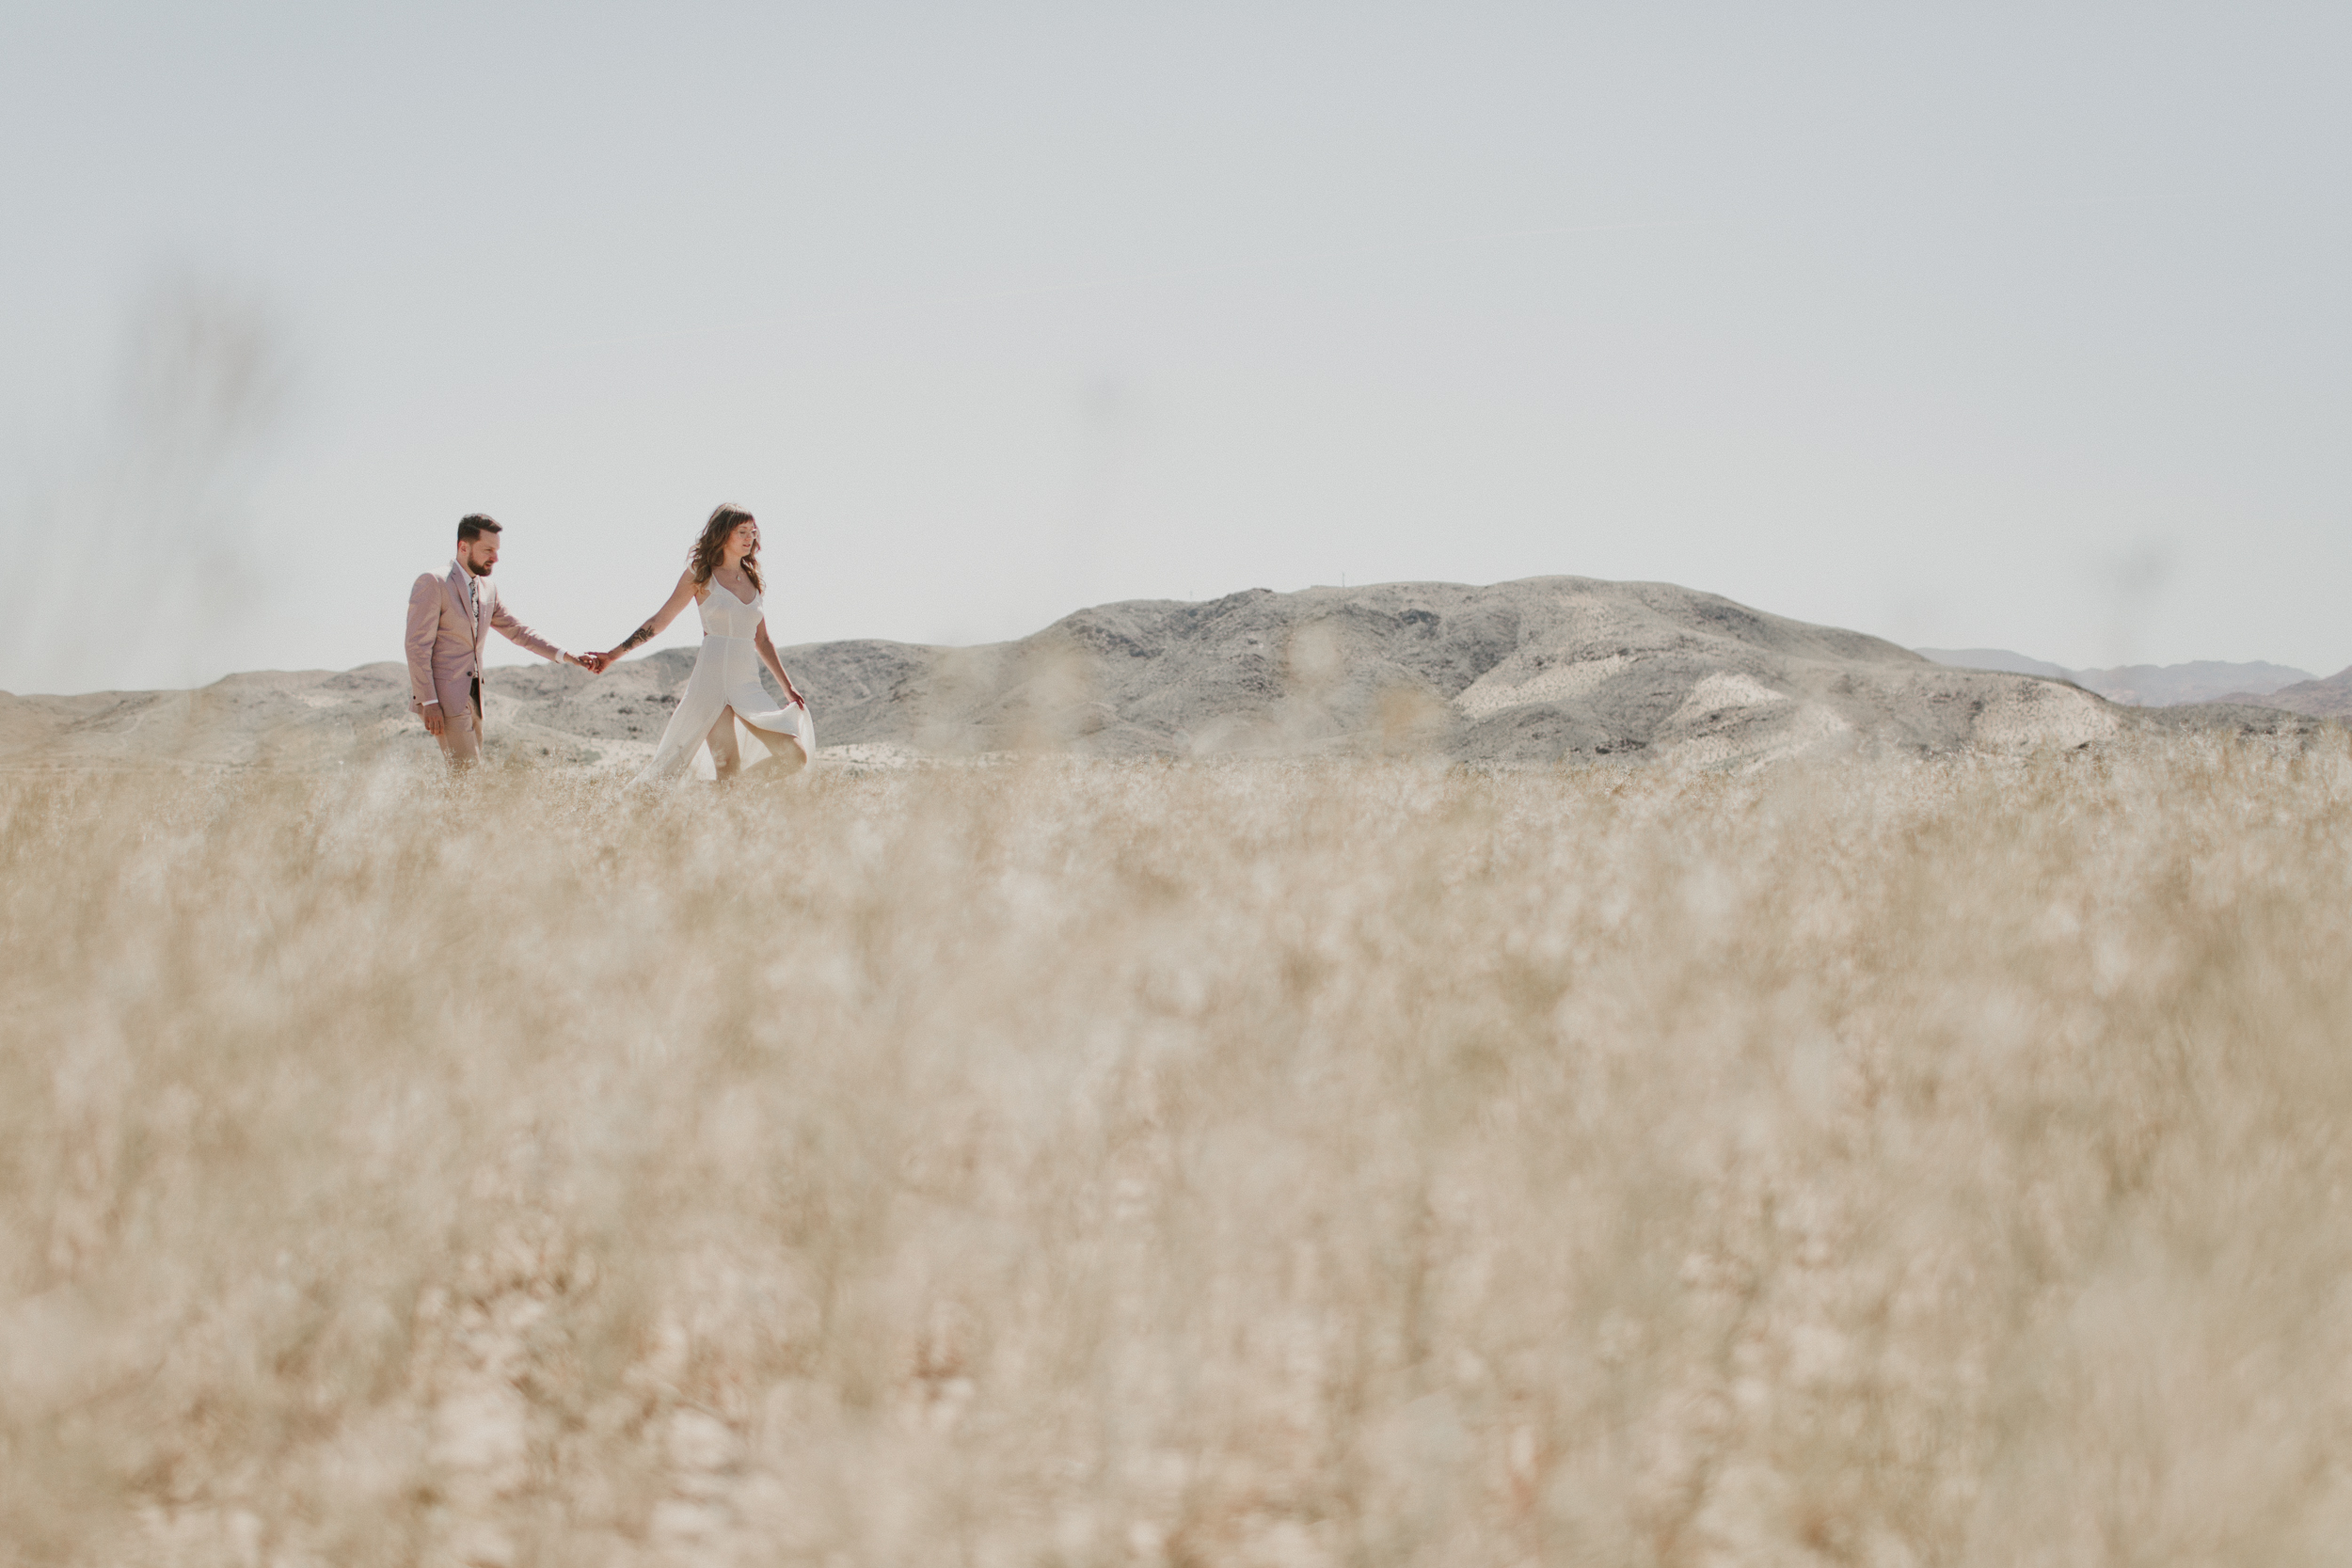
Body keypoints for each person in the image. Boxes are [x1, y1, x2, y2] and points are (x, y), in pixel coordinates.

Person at [596, 503, 814, 783]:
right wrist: (613, 654)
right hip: (711, 682)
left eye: (753, 532)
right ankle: (719, 807)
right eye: (741, 532)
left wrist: (787, 686)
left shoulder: (753, 580)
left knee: (794, 756)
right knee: (728, 767)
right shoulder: (701, 574)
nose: (750, 538)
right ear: (723, 535)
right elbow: (661, 620)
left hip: (747, 682)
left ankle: (721, 795)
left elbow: (761, 639)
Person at [405, 514, 595, 768]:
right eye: (488, 550)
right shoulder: (434, 582)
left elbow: (519, 631)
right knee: (468, 776)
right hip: (443, 700)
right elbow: (417, 646)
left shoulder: (488, 589)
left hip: (475, 698)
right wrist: (428, 701)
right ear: (463, 547)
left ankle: (446, 809)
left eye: (497, 550)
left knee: (468, 778)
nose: (495, 558)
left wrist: (567, 655)